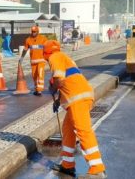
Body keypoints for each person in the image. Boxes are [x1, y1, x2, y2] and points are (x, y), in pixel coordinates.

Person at [44, 40, 106, 178]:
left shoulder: (54, 57)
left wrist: (52, 88)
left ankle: (97, 169)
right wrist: (59, 101)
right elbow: (66, 80)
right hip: (79, 97)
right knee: (68, 129)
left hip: (78, 99)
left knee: (83, 131)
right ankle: (67, 165)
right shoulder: (65, 58)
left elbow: (59, 81)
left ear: (45, 54)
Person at [19, 26, 48, 96]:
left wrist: (48, 57)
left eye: (34, 32)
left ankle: (39, 90)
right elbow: (25, 49)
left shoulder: (43, 39)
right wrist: (22, 58)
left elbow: (47, 47)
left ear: (38, 32)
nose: (33, 33)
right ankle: (36, 89)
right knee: (34, 75)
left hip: (41, 61)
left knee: (40, 74)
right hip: (33, 61)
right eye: (32, 31)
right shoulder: (28, 40)